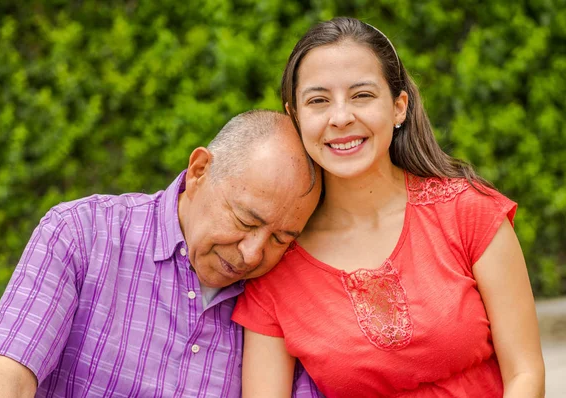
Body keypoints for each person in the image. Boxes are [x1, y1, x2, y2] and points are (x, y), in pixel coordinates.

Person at [232, 17, 545, 397]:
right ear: (295, 117)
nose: (341, 117)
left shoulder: (468, 212)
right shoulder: (276, 267)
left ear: (399, 107)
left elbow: (525, 374)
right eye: (318, 101)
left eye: (362, 95)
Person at [0, 110, 324, 397]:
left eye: (280, 239)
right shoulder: (82, 233)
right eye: (246, 220)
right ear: (200, 171)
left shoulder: (284, 297)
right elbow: (5, 383)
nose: (252, 254)